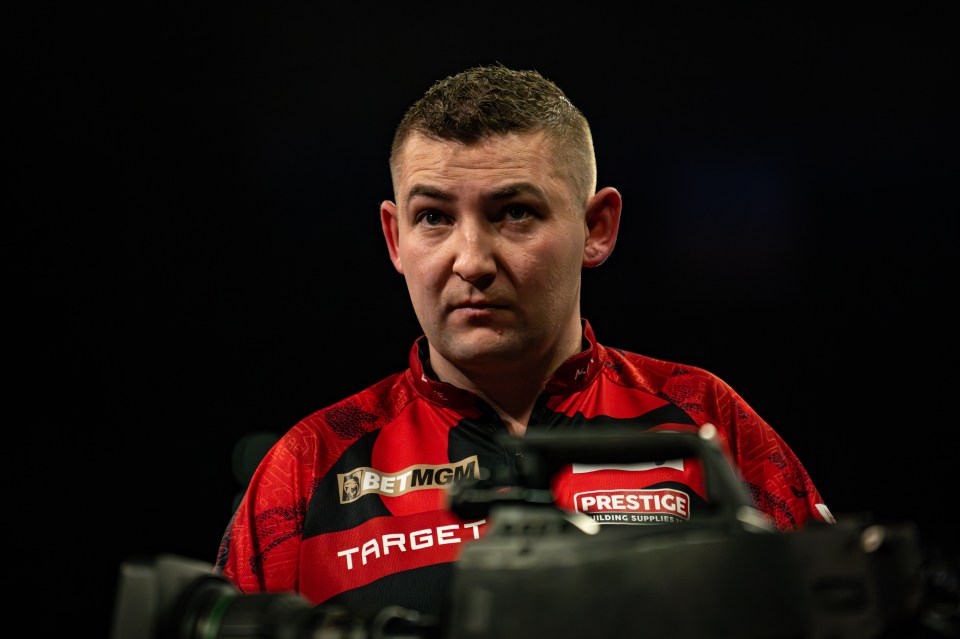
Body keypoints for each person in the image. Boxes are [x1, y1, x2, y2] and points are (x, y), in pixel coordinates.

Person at [214, 63, 834, 621]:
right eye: (433, 217)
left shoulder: (708, 420)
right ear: (395, 238)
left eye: (513, 213)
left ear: (597, 228)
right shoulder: (306, 468)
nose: (472, 261)